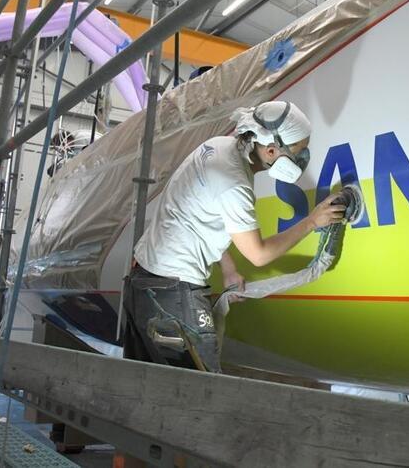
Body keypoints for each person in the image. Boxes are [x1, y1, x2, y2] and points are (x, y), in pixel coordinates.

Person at [122, 100, 345, 372]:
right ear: (272, 150)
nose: (302, 159)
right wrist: (312, 221)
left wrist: (228, 269)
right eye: (299, 152)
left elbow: (203, 214)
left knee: (143, 384)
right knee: (197, 395)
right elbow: (259, 255)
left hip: (143, 282)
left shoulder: (220, 146)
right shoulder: (234, 183)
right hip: (171, 293)